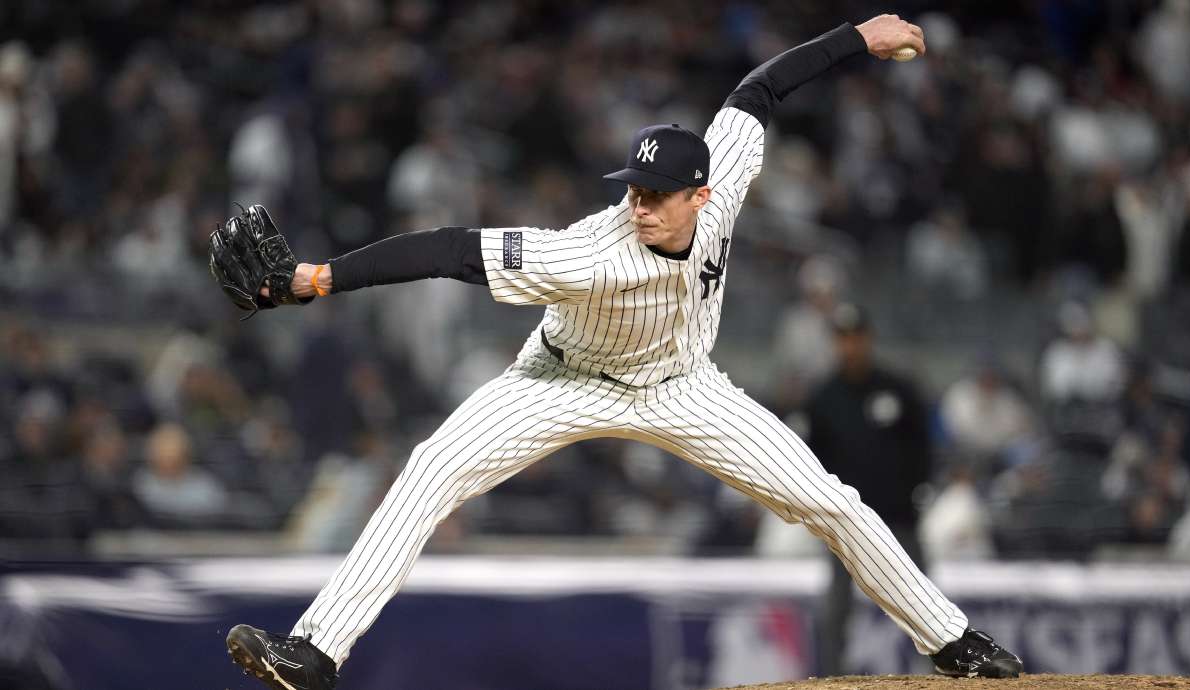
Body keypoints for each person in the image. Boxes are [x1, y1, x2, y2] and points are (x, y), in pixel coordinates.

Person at [223, 15, 1023, 690]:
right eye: (631, 190)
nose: (636, 205)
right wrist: (317, 278)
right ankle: (318, 650)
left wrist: (856, 37)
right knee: (431, 470)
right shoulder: (591, 252)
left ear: (699, 196)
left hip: (683, 386)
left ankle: (956, 645)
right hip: (560, 379)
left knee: (832, 503)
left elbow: (759, 91)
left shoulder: (726, 181)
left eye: (654, 196)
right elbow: (451, 249)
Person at [801, 304, 934, 675]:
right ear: (835, 343)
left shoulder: (897, 390)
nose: (850, 346)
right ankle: (830, 678)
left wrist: (918, 490)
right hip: (845, 522)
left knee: (921, 600)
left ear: (868, 339)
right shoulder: (823, 399)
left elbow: (922, 446)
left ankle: (934, 678)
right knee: (836, 610)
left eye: (856, 337)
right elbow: (811, 459)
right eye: (843, 338)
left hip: (898, 516)